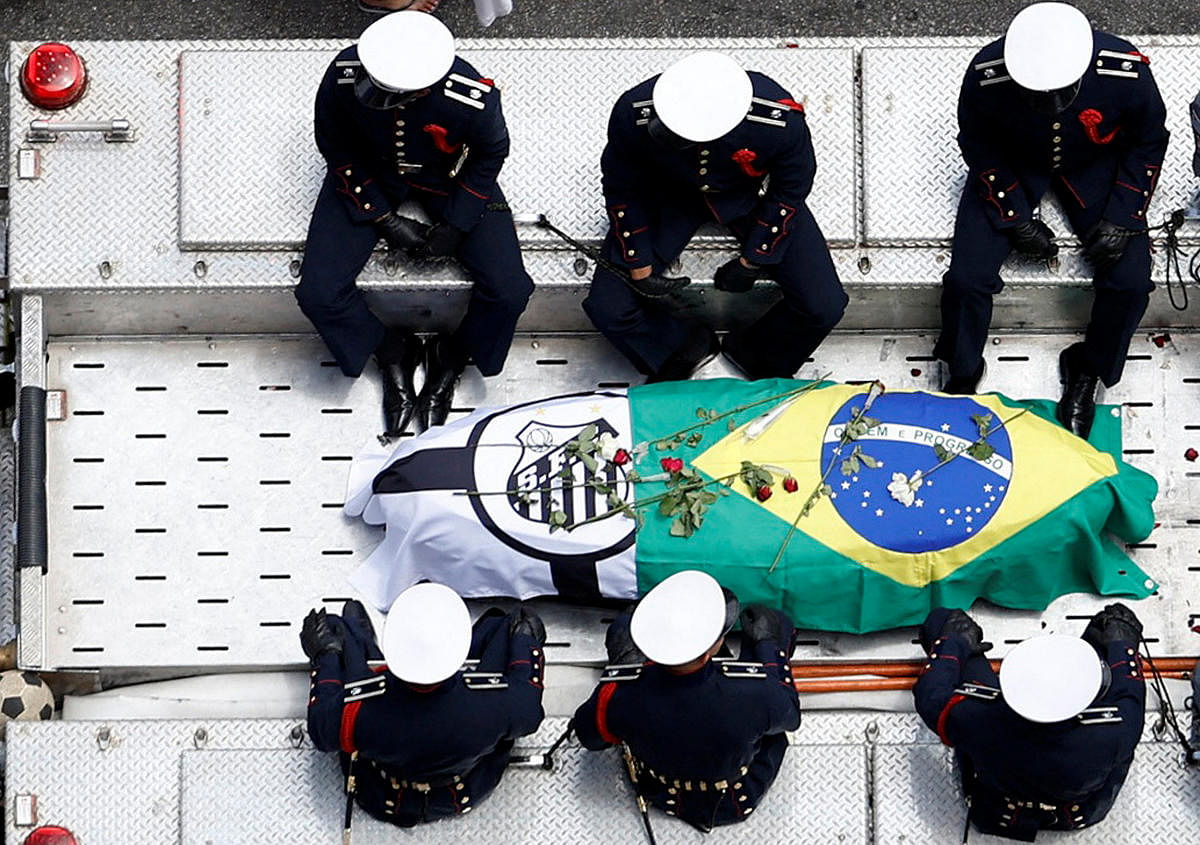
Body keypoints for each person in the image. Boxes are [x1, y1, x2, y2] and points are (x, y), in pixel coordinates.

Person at [935, 2, 1169, 438]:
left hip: (1095, 163)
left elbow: (1149, 139)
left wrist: (1123, 215)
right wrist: (1015, 216)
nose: (1052, 104)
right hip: (1015, 164)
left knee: (1131, 282)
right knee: (967, 279)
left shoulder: (1126, 71)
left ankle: (1088, 368)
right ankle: (963, 371)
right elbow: (979, 143)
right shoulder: (987, 73)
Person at [296, 12, 533, 436]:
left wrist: (457, 226)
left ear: (424, 86)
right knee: (318, 293)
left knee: (511, 290)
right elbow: (334, 145)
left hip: (447, 179)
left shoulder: (471, 97)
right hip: (371, 175)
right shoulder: (346, 73)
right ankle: (391, 352)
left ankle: (454, 355)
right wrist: (384, 220)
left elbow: (491, 153)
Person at [583, 52, 847, 383]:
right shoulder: (632, 111)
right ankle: (681, 348)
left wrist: (753, 259)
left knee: (825, 305)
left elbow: (790, 190)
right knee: (607, 307)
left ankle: (757, 354)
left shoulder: (779, 121)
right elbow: (621, 187)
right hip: (668, 197)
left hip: (747, 196)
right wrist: (640, 266)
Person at [571, 570, 801, 832]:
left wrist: (622, 665)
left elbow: (589, 736)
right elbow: (790, 716)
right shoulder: (757, 694)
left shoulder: (618, 696)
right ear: (708, 652)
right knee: (773, 625)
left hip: (661, 792)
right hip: (736, 796)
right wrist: (769, 648)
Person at [300, 584, 546, 828]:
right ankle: (470, 644)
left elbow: (321, 730)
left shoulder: (357, 710)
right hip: (461, 791)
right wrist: (526, 642)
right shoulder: (498, 705)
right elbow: (529, 714)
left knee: (336, 628)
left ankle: (363, 643)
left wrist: (325, 655)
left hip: (383, 794)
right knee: (506, 624)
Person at [913, 604, 1145, 841]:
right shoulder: (1116, 729)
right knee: (1105, 629)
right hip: (1078, 813)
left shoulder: (977, 719)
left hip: (998, 813)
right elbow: (1130, 691)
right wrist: (1122, 644)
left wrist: (954, 643)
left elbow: (930, 696)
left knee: (942, 621)